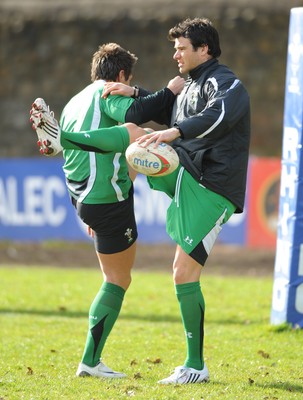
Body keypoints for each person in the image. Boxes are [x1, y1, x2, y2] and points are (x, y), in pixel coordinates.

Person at [31, 17, 250, 385]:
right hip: (189, 178)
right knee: (142, 142)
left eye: (182, 48)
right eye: (175, 47)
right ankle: (154, 363)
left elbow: (219, 115)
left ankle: (195, 366)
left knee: (142, 140)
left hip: (212, 186)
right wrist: (136, 96)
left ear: (204, 49)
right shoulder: (193, 83)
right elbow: (173, 112)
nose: (175, 54)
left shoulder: (226, 83)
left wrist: (170, 129)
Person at [30, 42, 184, 379]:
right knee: (118, 278)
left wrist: (83, 204)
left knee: (135, 138)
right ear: (121, 75)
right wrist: (170, 89)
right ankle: (91, 361)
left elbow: (107, 158)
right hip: (107, 200)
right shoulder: (109, 93)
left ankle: (92, 360)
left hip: (85, 195)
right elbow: (135, 115)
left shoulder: (74, 102)